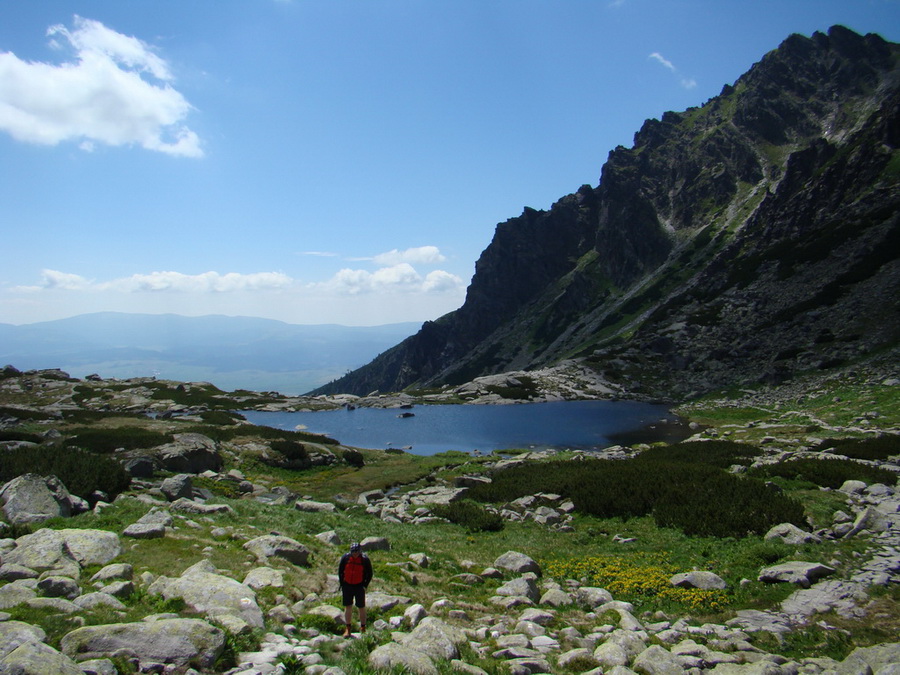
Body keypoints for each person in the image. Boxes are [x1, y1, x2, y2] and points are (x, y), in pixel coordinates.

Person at [338, 542, 372, 637]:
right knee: (348, 606)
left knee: (361, 607)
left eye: (357, 552)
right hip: (347, 585)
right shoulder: (346, 558)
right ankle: (348, 629)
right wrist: (342, 583)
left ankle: (363, 628)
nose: (355, 554)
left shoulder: (364, 559)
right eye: (353, 552)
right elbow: (340, 571)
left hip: (359, 586)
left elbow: (370, 573)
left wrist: (365, 585)